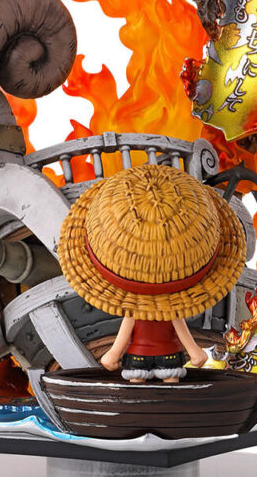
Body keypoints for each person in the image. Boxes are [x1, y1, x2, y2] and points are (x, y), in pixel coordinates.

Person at [58, 163, 247, 383]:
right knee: (171, 386)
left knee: (139, 387)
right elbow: (181, 331)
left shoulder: (134, 310)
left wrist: (113, 354)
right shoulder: (172, 311)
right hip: (170, 356)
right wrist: (195, 352)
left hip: (137, 357)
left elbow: (125, 333)